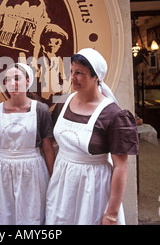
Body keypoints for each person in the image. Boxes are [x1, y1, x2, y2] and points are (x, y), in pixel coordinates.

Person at [45, 48, 139, 225]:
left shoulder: (113, 115)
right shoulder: (63, 104)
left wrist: (112, 213)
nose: (72, 77)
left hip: (93, 187)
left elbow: (121, 167)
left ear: (96, 76)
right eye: (71, 71)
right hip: (62, 185)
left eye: (79, 73)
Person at [0, 63, 55, 224]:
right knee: (4, 217)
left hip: (33, 172)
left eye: (17, 78)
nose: (12, 83)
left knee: (32, 217)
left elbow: (48, 148)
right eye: (8, 79)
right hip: (1, 173)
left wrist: (55, 181)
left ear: (28, 81)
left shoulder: (40, 110)